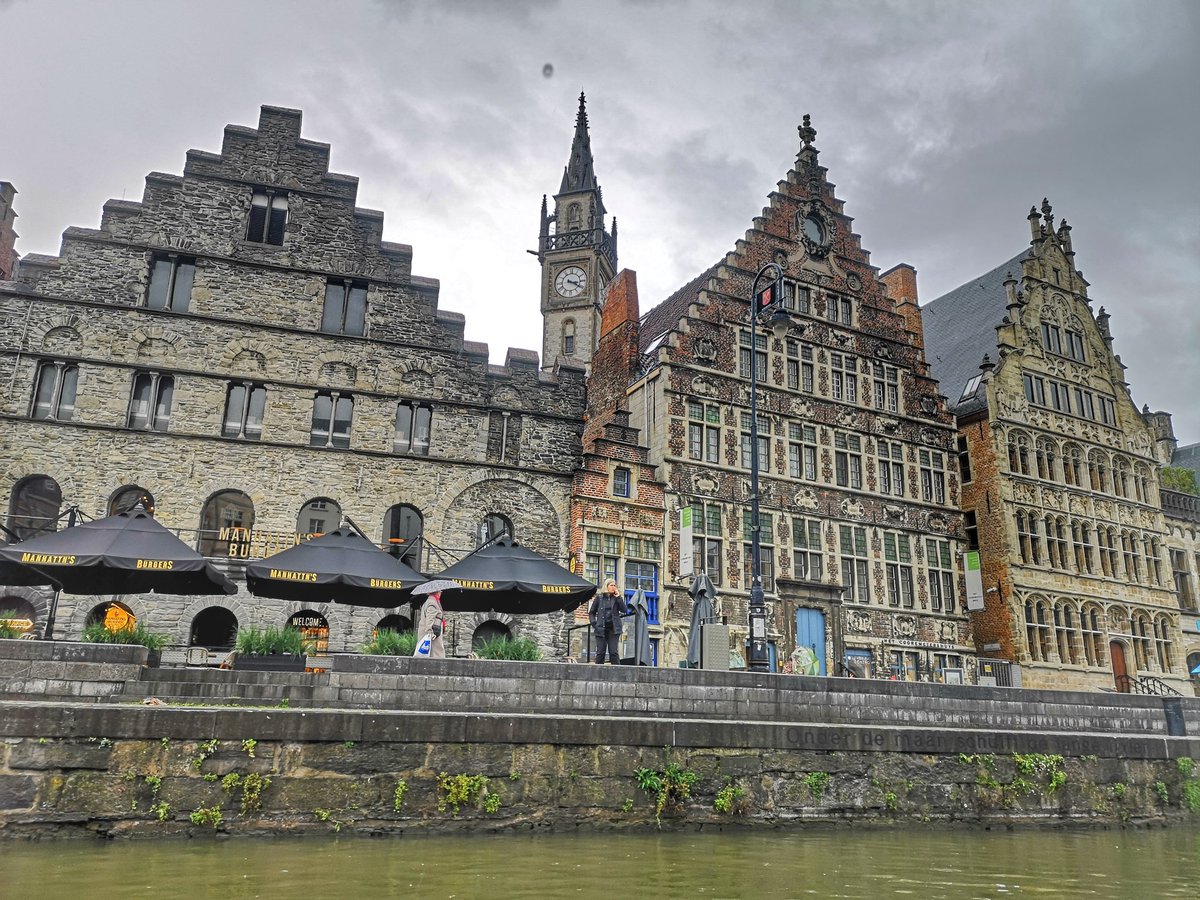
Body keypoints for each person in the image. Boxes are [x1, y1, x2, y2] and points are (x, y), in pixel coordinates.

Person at [589, 578, 627, 665]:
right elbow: (592, 612)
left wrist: (619, 597)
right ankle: (598, 674)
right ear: (606, 586)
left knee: (613, 652)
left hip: (613, 629)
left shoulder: (616, 598)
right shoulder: (599, 598)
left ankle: (617, 673)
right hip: (601, 629)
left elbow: (624, 610)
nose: (614, 587)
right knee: (600, 653)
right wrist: (594, 624)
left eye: (615, 585)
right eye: (611, 585)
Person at [414, 590, 447, 659]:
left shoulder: (430, 601)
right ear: (437, 592)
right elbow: (430, 618)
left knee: (430, 654)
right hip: (433, 634)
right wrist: (429, 632)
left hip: (432, 632)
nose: (441, 593)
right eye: (440, 591)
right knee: (435, 654)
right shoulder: (433, 602)